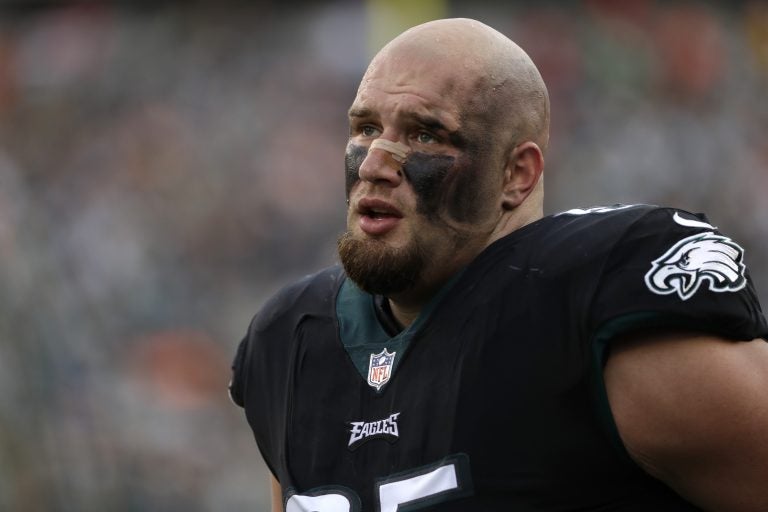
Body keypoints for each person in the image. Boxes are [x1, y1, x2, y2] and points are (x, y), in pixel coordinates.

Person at [229, 18, 768, 511]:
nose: (373, 165)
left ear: (517, 174)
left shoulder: (590, 305)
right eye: (366, 129)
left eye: (424, 134)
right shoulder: (292, 342)